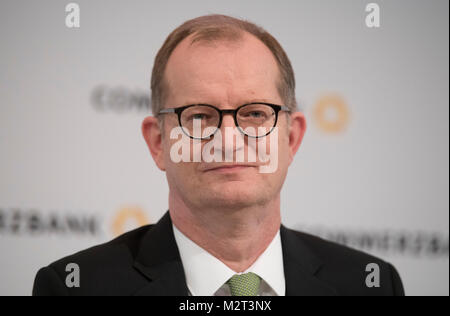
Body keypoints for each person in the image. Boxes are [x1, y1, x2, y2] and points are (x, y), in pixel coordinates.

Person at [33, 14, 404, 296]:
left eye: (256, 114)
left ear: (291, 138)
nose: (227, 139)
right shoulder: (76, 287)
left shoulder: (369, 283)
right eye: (198, 116)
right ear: (158, 142)